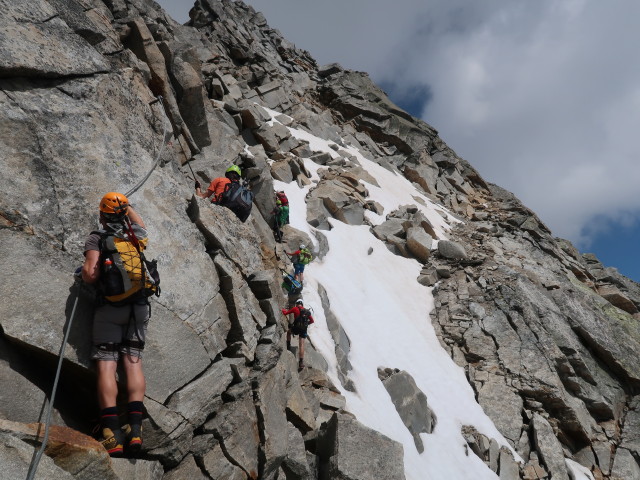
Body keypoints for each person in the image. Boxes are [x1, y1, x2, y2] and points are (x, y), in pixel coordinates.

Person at [82, 192, 152, 457]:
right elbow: (142, 225)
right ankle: (135, 429)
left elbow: (90, 275)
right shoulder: (135, 235)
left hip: (110, 310)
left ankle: (111, 434)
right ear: (124, 215)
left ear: (102, 215)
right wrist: (128, 207)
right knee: (133, 362)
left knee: (106, 365)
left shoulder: (97, 238)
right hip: (139, 307)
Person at [282, 298, 314, 370]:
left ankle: (288, 346)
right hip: (303, 329)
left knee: (288, 332)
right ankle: (301, 363)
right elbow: (312, 321)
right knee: (301, 344)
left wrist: (283, 310)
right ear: (302, 304)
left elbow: (285, 313)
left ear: (297, 303)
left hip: (296, 328)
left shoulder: (295, 308)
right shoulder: (306, 311)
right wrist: (306, 324)